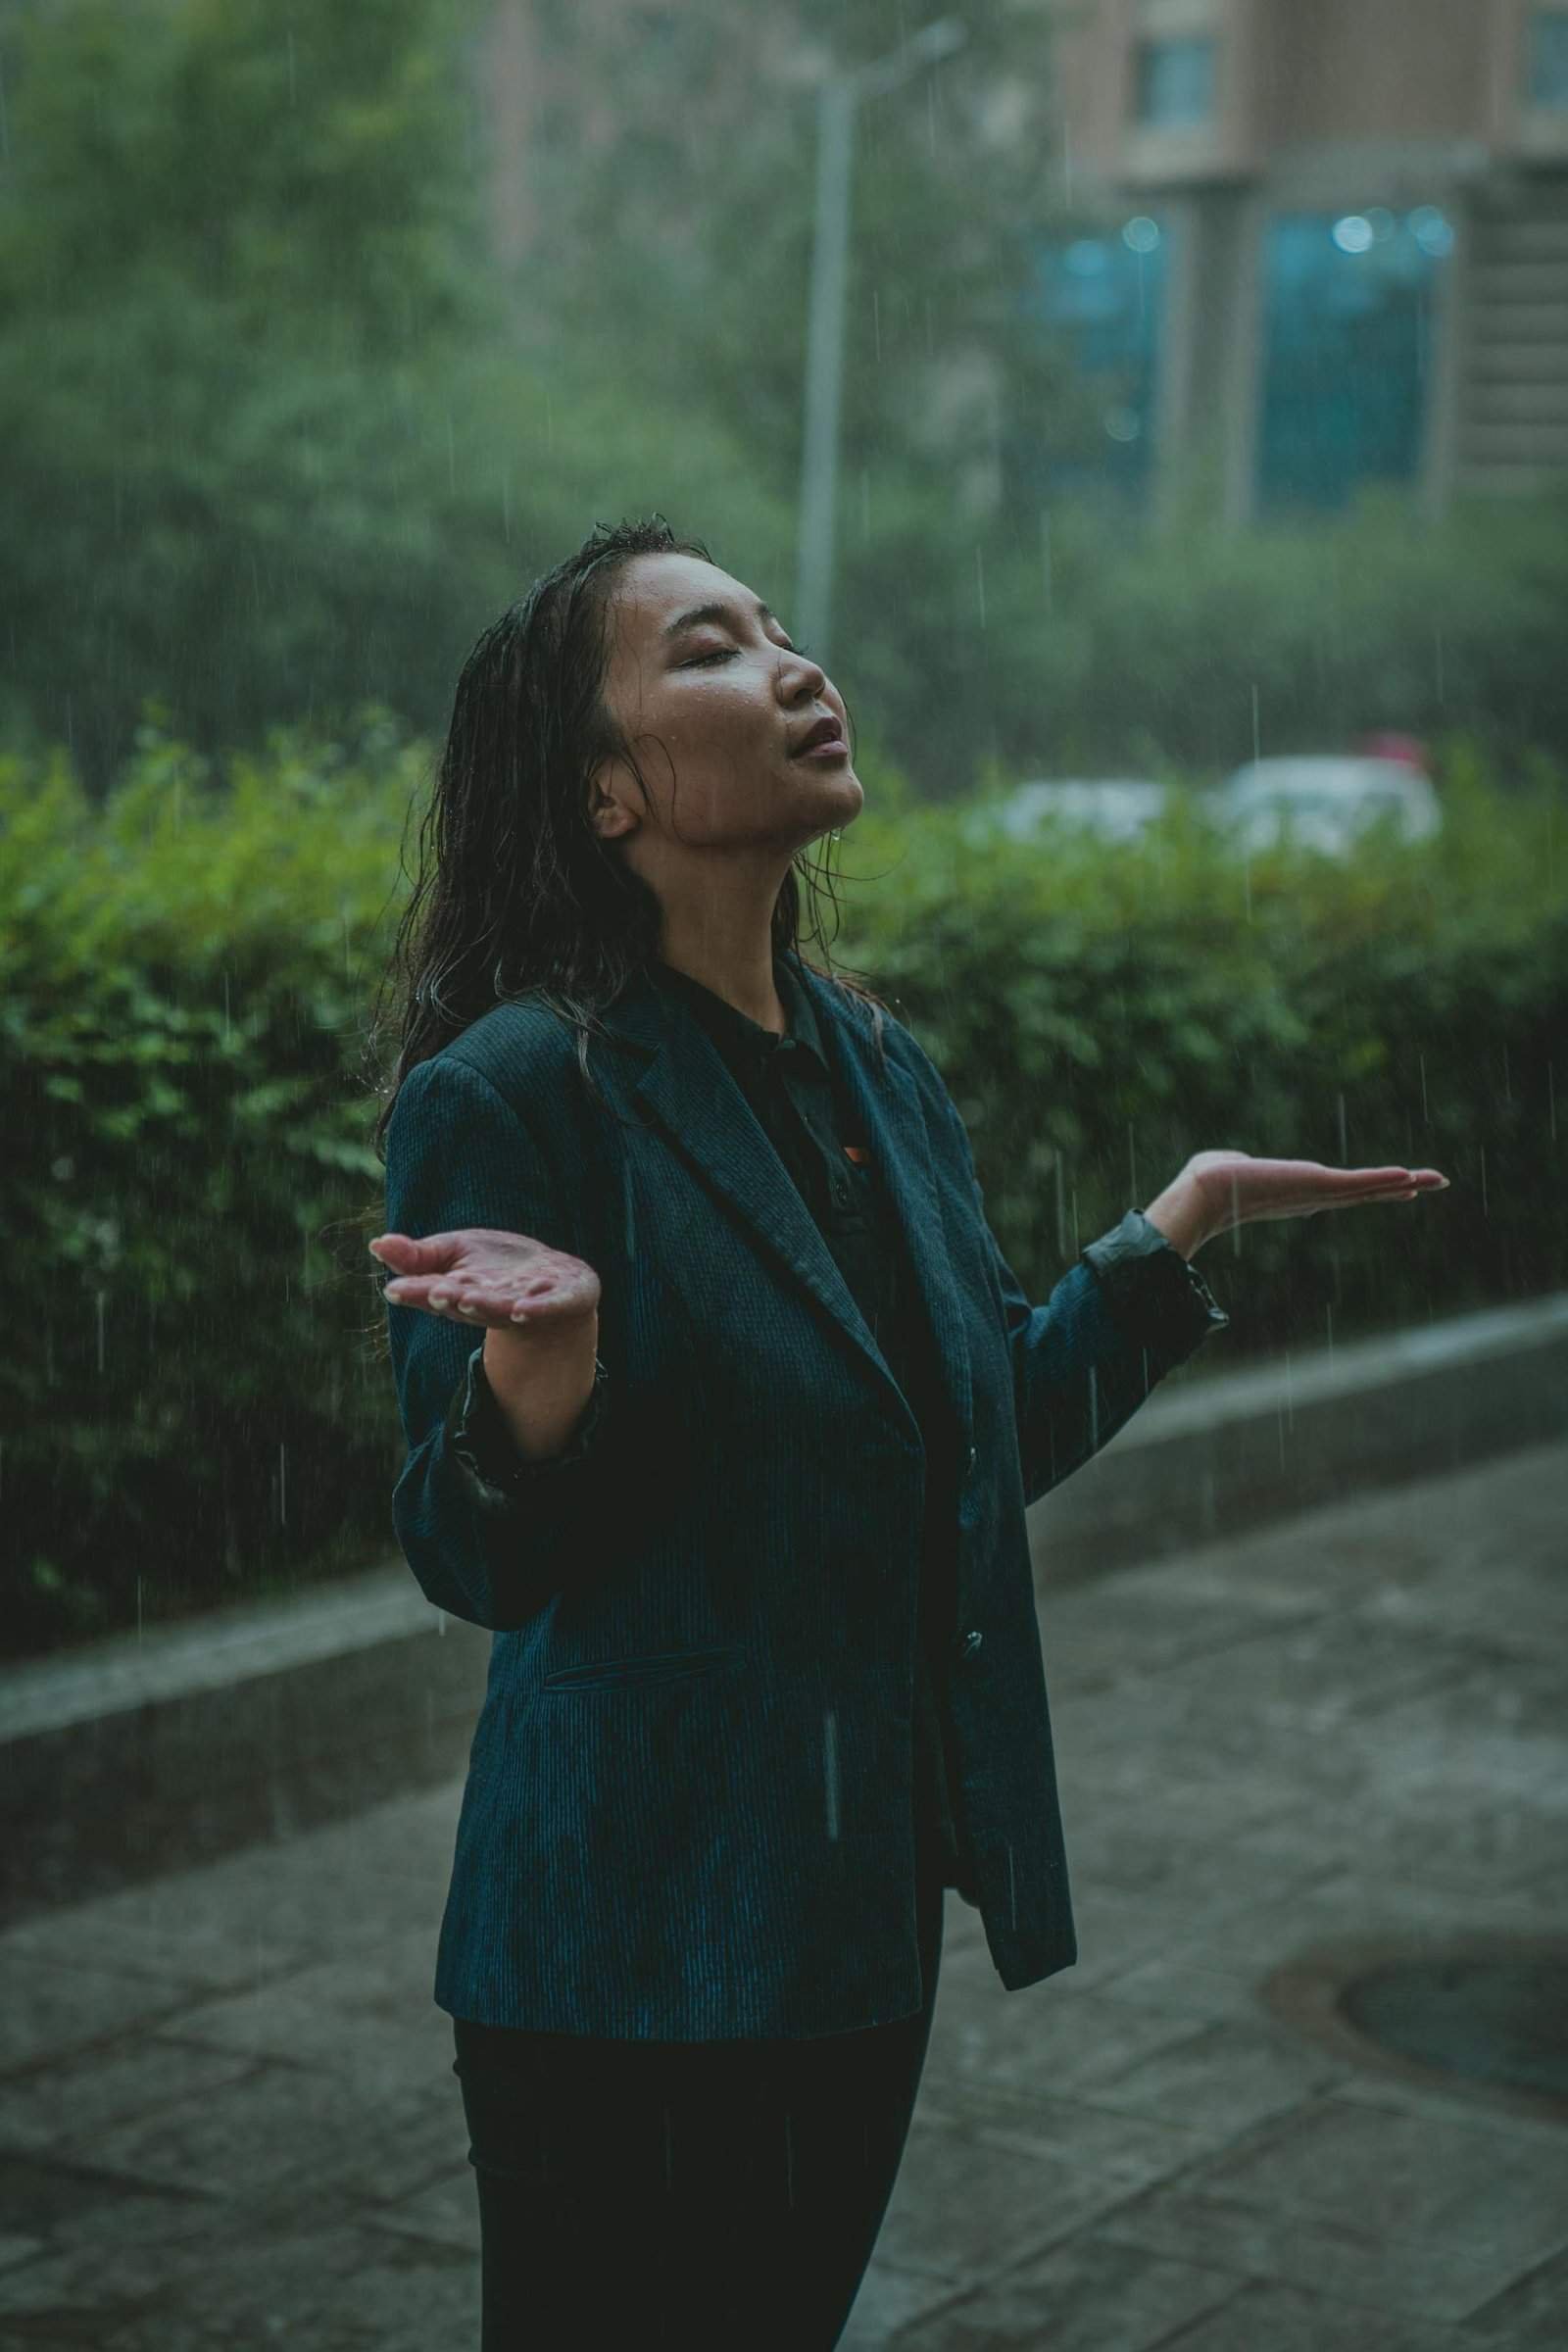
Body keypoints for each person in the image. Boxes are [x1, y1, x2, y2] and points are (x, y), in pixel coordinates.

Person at [366, 515, 1449, 2348]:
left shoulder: (882, 1072)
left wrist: (1172, 1235)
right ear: (608, 789)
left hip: (860, 1926)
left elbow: (969, 1440)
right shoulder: (518, 1090)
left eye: (783, 628)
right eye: (710, 647)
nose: (796, 664)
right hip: (624, 1954)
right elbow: (471, 1557)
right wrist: (533, 1391)